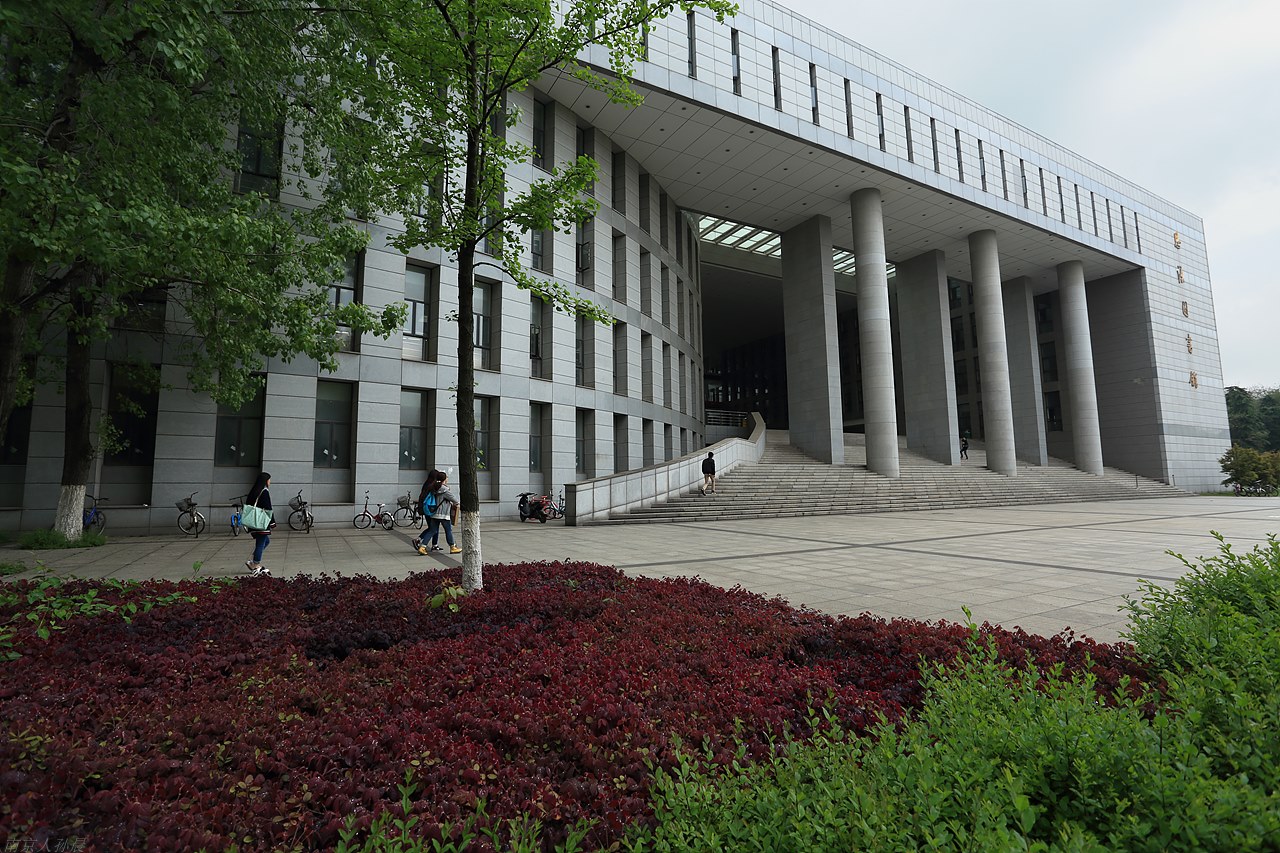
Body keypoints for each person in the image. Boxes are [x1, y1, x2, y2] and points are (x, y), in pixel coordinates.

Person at [418, 471, 462, 555]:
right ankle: (452, 547)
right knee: (448, 530)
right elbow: (455, 501)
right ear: (444, 479)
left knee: (432, 531)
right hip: (443, 514)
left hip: (434, 513)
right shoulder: (445, 490)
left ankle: (422, 547)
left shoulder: (433, 488)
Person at [244, 471, 275, 576]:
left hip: (253, 521)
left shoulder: (254, 491)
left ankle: (254, 560)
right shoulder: (264, 491)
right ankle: (255, 564)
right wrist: (272, 522)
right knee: (261, 543)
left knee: (265, 541)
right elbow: (268, 508)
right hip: (261, 523)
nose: (270, 482)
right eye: (269, 480)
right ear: (266, 481)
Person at [412, 469, 443, 552]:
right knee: (433, 527)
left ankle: (434, 544)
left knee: (433, 527)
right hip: (431, 508)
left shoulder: (426, 484)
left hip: (426, 508)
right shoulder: (432, 486)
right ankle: (419, 540)